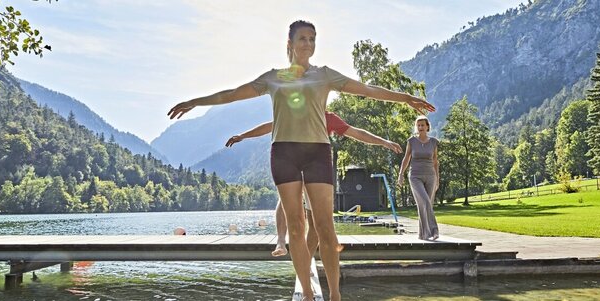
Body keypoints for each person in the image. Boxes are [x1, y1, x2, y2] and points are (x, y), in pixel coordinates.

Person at [168, 20, 434, 301]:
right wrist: (196, 101)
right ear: (290, 44)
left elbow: (366, 89)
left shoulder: (325, 75)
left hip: (318, 152)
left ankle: (335, 295)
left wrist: (405, 98)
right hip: (284, 153)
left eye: (312, 38)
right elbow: (233, 94)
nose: (308, 44)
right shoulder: (273, 78)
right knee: (295, 225)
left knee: (325, 227)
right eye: (302, 39)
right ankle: (307, 294)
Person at [226, 112, 402, 258]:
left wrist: (384, 142)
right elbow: (271, 125)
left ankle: (307, 259)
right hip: (293, 163)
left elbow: (356, 133)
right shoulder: (295, 113)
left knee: (315, 222)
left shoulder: (328, 118)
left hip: (316, 170)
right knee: (286, 198)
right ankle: (281, 240)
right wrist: (243, 135)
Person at [397, 116, 440, 241]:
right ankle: (434, 230)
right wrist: (401, 174)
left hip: (431, 176)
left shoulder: (433, 142)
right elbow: (406, 158)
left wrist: (437, 179)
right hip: (415, 176)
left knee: (425, 205)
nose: (420, 127)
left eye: (423, 125)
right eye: (418, 125)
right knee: (425, 201)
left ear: (427, 127)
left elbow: (435, 162)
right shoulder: (411, 141)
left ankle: (423, 235)